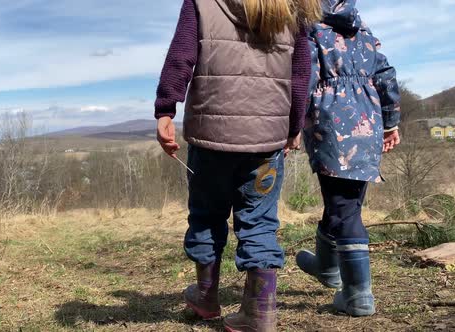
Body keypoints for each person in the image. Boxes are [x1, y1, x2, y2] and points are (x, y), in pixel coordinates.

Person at [154, 0, 320, 330]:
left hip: (210, 140)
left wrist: (165, 109)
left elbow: (180, 56)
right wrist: (292, 127)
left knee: (206, 215)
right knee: (259, 221)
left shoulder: (202, 3)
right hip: (266, 143)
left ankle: (206, 296)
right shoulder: (294, 8)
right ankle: (260, 312)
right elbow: (301, 74)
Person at [296, 0, 401, 317]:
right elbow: (386, 75)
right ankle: (327, 269)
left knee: (344, 209)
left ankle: (357, 296)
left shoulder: (310, 27)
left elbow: (305, 77)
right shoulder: (365, 29)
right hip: (368, 125)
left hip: (332, 126)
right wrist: (390, 121)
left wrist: (293, 121)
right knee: (345, 203)